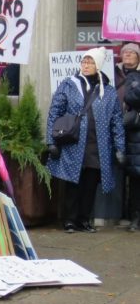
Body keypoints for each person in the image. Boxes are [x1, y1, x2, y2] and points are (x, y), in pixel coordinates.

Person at [47, 47, 125, 233]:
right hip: (74, 143)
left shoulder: (108, 90)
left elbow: (116, 120)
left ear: (98, 65)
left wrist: (120, 147)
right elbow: (54, 112)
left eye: (90, 62)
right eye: (84, 62)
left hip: (97, 145)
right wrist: (51, 140)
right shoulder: (69, 84)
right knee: (73, 183)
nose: (86, 65)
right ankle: (69, 220)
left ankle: (84, 219)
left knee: (90, 183)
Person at [119, 43, 140, 231]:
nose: (128, 55)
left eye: (132, 53)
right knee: (134, 177)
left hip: (135, 130)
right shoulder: (117, 74)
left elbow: (132, 98)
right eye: (125, 52)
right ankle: (133, 216)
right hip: (127, 132)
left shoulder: (134, 77)